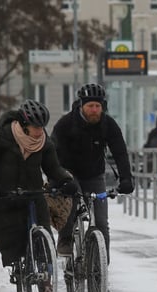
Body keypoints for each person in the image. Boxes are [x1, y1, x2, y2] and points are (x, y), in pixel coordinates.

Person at [0, 99, 78, 292]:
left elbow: (53, 168)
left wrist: (66, 180)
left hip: (33, 198)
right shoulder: (2, 139)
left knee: (44, 239)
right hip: (3, 199)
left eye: (42, 127)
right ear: (23, 124)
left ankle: (45, 282)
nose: (40, 132)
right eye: (36, 127)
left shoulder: (44, 144)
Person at [50, 83, 135, 256]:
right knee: (71, 204)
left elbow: (120, 151)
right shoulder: (65, 124)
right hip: (69, 173)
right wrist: (59, 180)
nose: (95, 110)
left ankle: (101, 266)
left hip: (94, 175)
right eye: (90, 106)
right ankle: (65, 239)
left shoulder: (108, 124)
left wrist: (126, 178)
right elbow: (53, 156)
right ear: (82, 106)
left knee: (102, 222)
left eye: (98, 106)